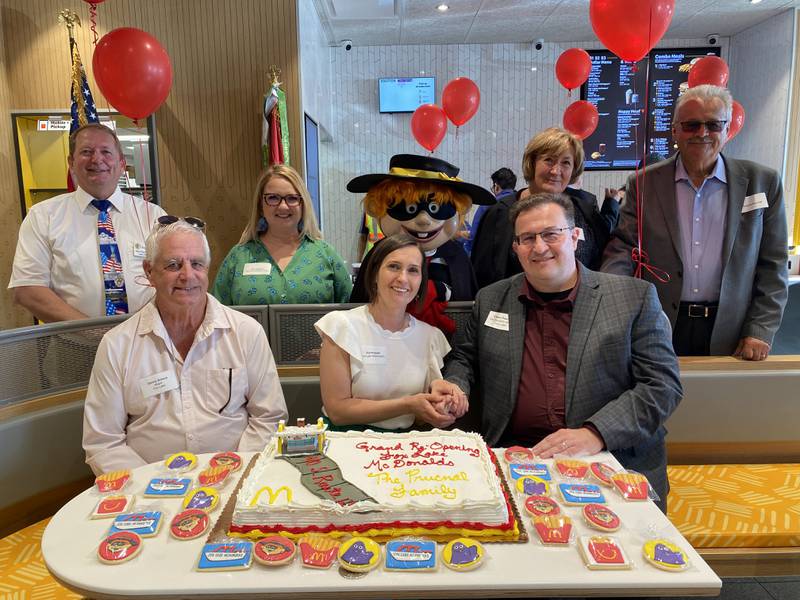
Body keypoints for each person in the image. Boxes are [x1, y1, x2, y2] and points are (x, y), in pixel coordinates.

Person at [435, 193, 682, 506]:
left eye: (551, 234)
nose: (539, 247)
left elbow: (662, 386)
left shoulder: (634, 298)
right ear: (516, 248)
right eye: (527, 238)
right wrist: (456, 386)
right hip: (514, 458)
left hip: (607, 458)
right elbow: (464, 358)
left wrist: (595, 433)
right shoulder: (492, 300)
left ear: (575, 236)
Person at [83, 218, 287, 475]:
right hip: (149, 492)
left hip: (236, 478)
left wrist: (237, 472)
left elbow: (269, 417)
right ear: (149, 272)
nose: (187, 275)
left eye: (197, 264)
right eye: (173, 265)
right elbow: (104, 442)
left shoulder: (246, 333)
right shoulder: (117, 345)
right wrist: (151, 486)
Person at [602, 85, 788, 360]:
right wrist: (613, 301)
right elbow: (623, 248)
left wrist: (760, 329)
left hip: (733, 330)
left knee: (724, 403)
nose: (702, 133)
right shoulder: (644, 183)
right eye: (691, 125)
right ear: (675, 130)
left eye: (713, 124)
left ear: (727, 130)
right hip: (658, 323)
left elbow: (773, 265)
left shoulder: (763, 182)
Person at [9, 123, 166, 321]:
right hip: (73, 345)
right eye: (86, 151)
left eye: (106, 152)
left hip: (145, 340)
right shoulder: (42, 216)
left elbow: (173, 277)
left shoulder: (153, 216)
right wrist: (96, 334)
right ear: (71, 163)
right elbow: (27, 290)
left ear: (121, 163)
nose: (97, 159)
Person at [315, 234, 466, 432]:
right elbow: (338, 411)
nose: (403, 278)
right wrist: (408, 405)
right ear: (375, 273)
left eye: (413, 270)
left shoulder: (429, 336)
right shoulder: (341, 326)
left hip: (403, 446)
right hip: (347, 440)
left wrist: (446, 402)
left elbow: (424, 413)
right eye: (394, 266)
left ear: (421, 280)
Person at [348, 154, 494, 334]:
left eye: (436, 209)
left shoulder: (456, 257)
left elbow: (467, 310)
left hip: (446, 347)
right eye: (409, 208)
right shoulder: (380, 255)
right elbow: (362, 306)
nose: (424, 220)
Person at [471, 127, 618, 289]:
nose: (556, 171)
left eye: (566, 163)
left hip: (580, 308)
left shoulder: (586, 212)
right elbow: (483, 277)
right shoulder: (500, 214)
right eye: (549, 160)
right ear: (532, 163)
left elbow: (602, 265)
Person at [212, 164, 352, 305]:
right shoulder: (238, 256)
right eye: (273, 198)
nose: (283, 206)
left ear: (303, 204)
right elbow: (217, 315)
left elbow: (350, 313)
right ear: (261, 205)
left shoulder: (326, 255)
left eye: (292, 198)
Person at [463, 167, 517, 256]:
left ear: (496, 186)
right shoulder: (522, 203)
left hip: (490, 257)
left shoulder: (487, 205)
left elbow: (474, 236)